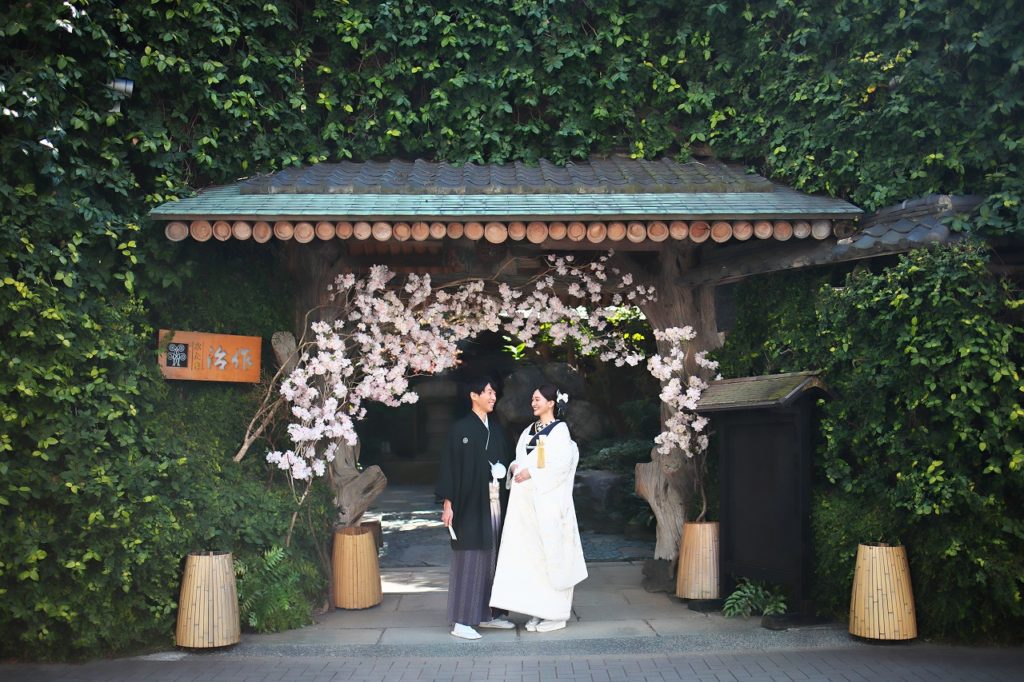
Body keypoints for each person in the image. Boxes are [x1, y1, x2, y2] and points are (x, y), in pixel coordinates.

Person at [489, 383, 587, 632]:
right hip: (527, 506)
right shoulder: (529, 430)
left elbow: (560, 466)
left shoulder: (560, 431)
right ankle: (538, 610)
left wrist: (531, 473)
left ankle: (556, 614)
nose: (533, 403)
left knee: (552, 556)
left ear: (551, 403)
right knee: (531, 557)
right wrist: (515, 467)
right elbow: (521, 459)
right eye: (532, 399)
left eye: (538, 399)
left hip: (549, 505)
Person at [435, 378, 515, 640]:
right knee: (470, 558)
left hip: (496, 503)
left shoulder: (497, 430)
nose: (493, 396)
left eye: (494, 392)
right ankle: (462, 620)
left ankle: (489, 614)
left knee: (494, 558)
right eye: (488, 392)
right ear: (473, 395)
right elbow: (450, 467)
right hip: (469, 504)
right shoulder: (460, 430)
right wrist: (448, 504)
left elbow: (509, 461)